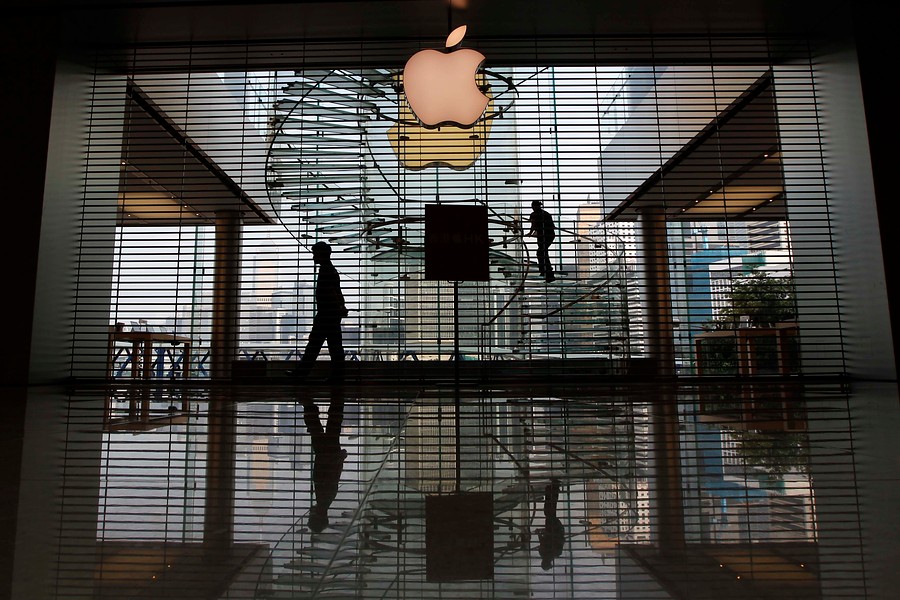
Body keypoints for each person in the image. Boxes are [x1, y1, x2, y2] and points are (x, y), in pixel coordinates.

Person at [287, 241, 349, 383]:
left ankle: (301, 374)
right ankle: (337, 376)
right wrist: (341, 307)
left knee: (314, 346)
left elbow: (332, 292)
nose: (313, 257)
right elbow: (338, 292)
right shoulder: (331, 270)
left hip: (326, 315)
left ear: (322, 254)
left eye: (315, 254)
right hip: (330, 314)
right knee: (333, 347)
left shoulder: (326, 270)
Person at [304, 388, 347, 534]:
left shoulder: (326, 499)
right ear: (317, 516)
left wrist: (340, 457)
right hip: (325, 453)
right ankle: (310, 403)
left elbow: (334, 474)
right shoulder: (324, 498)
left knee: (332, 424)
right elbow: (330, 474)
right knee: (319, 426)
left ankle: (337, 399)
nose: (309, 513)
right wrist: (338, 457)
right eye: (310, 517)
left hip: (328, 453)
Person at [537, 478, 564, 570]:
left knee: (549, 511)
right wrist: (540, 533)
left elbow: (543, 540)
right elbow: (543, 540)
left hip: (555, 528)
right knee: (549, 512)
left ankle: (551, 489)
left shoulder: (555, 553)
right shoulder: (550, 553)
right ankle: (552, 488)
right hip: (554, 529)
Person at [527, 200, 556, 282]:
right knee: (542, 252)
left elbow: (533, 225)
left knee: (541, 252)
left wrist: (530, 232)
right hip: (546, 235)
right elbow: (534, 225)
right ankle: (547, 272)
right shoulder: (545, 214)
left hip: (545, 236)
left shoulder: (537, 214)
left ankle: (546, 272)